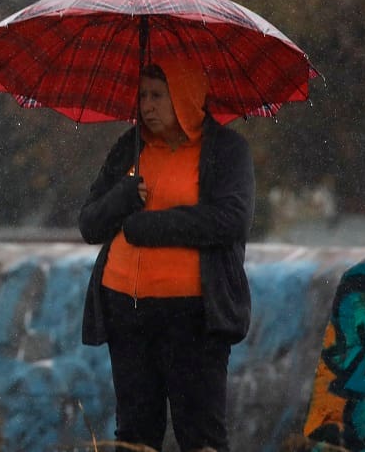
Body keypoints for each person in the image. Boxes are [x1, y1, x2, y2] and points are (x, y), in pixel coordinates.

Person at [78, 57, 255, 452]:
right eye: (142, 96)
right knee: (135, 434)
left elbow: (230, 220)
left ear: (188, 98)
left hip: (193, 317)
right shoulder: (130, 147)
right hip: (126, 311)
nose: (146, 106)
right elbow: (90, 224)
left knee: (201, 434)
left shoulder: (225, 151)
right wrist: (121, 199)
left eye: (158, 96)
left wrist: (151, 227)